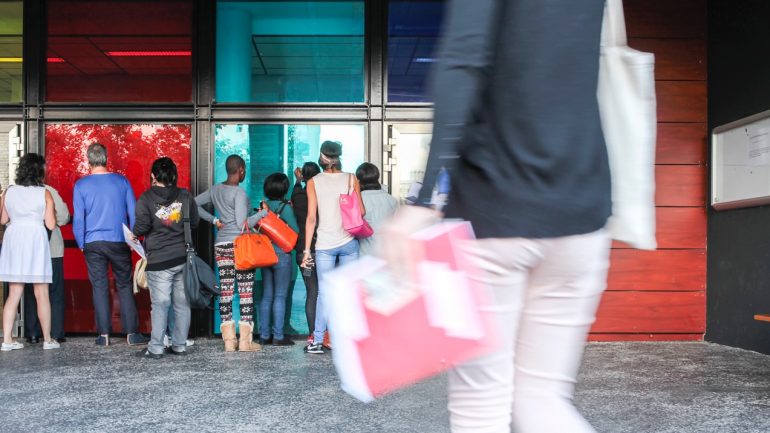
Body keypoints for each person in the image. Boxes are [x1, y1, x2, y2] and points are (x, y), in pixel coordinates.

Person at [382, 1, 612, 432]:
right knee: (543, 401)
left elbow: (463, 59)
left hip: (494, 209)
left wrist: (423, 198)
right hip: (582, 206)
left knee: (482, 405)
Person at [73, 143, 148, 347]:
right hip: (118, 240)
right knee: (124, 285)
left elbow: (79, 219)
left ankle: (103, 335)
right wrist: (134, 240)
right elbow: (133, 213)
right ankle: (132, 333)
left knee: (99, 287)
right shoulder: (121, 181)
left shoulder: (81, 185)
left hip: (93, 242)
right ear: (106, 158)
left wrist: (81, 243)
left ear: (89, 160)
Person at [196, 155, 266, 352]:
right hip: (240, 246)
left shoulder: (215, 189)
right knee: (245, 293)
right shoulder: (240, 194)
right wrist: (262, 213)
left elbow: (193, 203)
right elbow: (243, 224)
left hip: (222, 246)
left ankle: (229, 342)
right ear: (241, 170)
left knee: (226, 292)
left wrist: (214, 221)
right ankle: (245, 342)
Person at [301, 141, 364, 354]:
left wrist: (307, 250)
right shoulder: (351, 178)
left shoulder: (313, 182)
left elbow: (311, 218)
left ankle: (317, 341)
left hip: (325, 245)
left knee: (324, 295)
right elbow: (361, 211)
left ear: (322, 157)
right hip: (349, 243)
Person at [132, 157, 199, 359]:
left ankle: (156, 348)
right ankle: (179, 345)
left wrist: (134, 233)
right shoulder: (185, 196)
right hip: (182, 256)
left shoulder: (146, 199)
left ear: (153, 176)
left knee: (160, 305)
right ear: (173, 175)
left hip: (159, 260)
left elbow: (140, 228)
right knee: (182, 304)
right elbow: (194, 222)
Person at [0, 153, 60, 351]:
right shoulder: (44, 193)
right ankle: (48, 339)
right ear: (39, 171)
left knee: (14, 292)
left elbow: (2, 220)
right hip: (35, 238)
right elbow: (50, 224)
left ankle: (7, 341)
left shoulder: (9, 191)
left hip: (14, 237)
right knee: (41, 292)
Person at [22, 184, 70, 344]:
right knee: (54, 292)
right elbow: (64, 217)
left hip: (28, 249)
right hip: (51, 249)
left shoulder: (16, 192)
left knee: (30, 291)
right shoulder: (48, 191)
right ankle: (55, 333)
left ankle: (33, 333)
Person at [259, 173, 299, 346]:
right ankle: (278, 336)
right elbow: (295, 231)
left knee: (267, 295)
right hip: (282, 254)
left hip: (266, 253)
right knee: (280, 296)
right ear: (284, 189)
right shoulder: (286, 208)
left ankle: (264, 335)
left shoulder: (263, 207)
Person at [291, 162, 321, 345]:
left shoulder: (297, 194)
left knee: (312, 292)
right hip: (322, 249)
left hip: (303, 251)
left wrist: (297, 180)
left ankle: (312, 334)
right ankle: (324, 334)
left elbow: (295, 191)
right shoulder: (319, 195)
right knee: (324, 293)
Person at [355, 163, 398, 256]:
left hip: (365, 253)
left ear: (358, 180)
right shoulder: (392, 200)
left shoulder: (358, 200)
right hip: (387, 254)